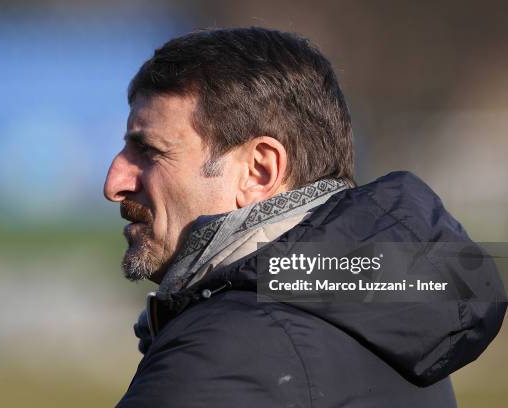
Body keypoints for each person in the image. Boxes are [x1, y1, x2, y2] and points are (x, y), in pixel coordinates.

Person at [103, 27, 506, 407]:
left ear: (259, 170)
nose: (114, 182)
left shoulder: (226, 353)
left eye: (150, 151)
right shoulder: (382, 323)